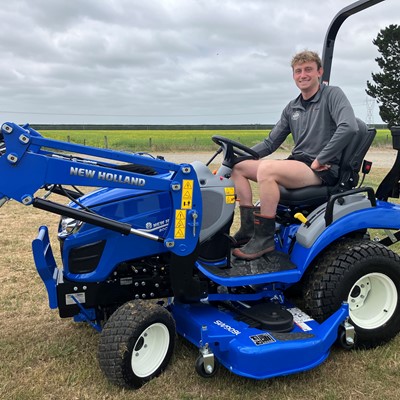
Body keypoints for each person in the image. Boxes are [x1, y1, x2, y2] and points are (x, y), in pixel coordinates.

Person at [231, 50, 358, 261]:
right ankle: (248, 230)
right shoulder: (292, 107)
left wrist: (322, 159)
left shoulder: (332, 95)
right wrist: (239, 156)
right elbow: (271, 142)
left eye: (308, 69)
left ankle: (264, 239)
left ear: (319, 72)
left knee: (267, 170)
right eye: (298, 71)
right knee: (240, 168)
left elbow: (349, 127)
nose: (303, 75)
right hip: (298, 164)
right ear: (293, 76)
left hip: (320, 169)